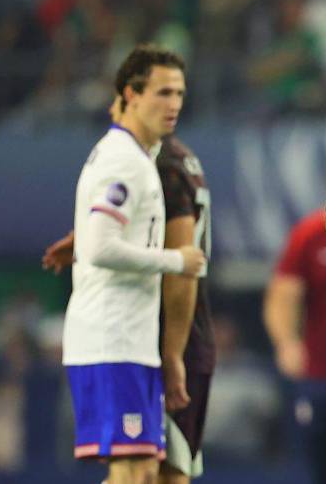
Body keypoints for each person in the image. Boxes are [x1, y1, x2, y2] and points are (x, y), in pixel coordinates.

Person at [45, 92, 216, 483]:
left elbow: (180, 262)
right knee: (147, 472)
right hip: (176, 336)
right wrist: (85, 238)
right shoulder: (176, 160)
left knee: (150, 473)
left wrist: (173, 351)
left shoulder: (161, 165)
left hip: (169, 334)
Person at [263, 208, 326, 484]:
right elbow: (282, 294)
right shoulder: (311, 233)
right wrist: (287, 343)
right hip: (321, 374)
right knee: (318, 466)